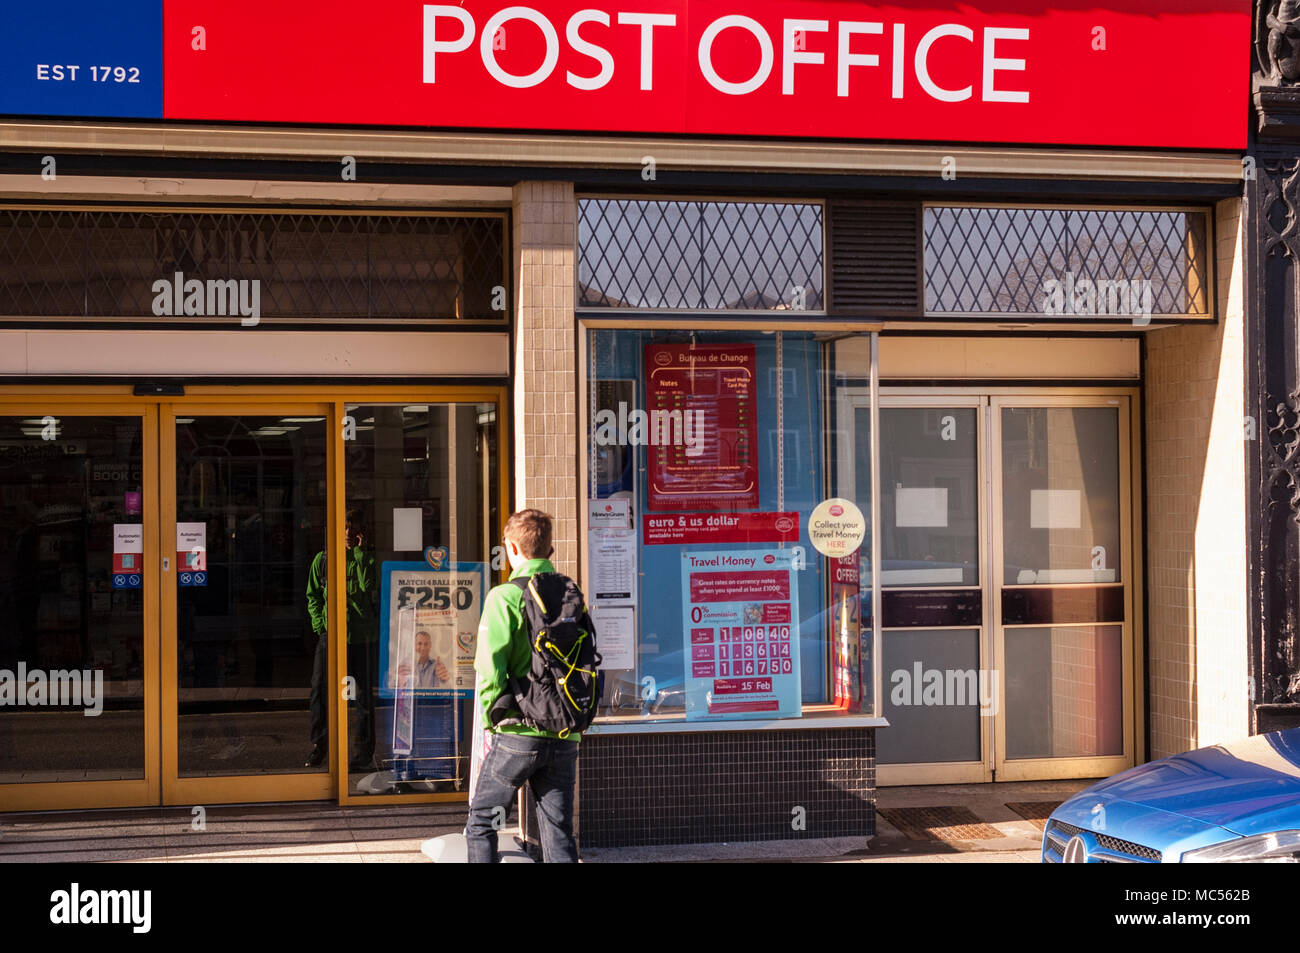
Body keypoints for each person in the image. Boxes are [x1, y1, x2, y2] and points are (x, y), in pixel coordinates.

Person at [464, 508, 580, 863]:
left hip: (519, 732)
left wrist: (489, 719)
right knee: (557, 831)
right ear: (549, 549)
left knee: (482, 821)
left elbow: (489, 668)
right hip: (564, 733)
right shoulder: (571, 594)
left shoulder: (503, 597)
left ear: (512, 548)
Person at [305, 509, 379, 770]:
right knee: (319, 691)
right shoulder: (322, 560)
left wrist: (360, 553)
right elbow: (313, 595)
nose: (348, 533)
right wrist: (321, 625)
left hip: (360, 636)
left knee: (363, 698)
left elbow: (367, 585)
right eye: (344, 528)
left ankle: (363, 754)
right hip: (331, 635)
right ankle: (320, 746)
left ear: (361, 531)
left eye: (353, 528)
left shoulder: (367, 558)